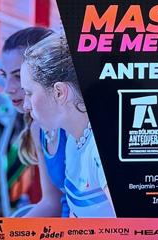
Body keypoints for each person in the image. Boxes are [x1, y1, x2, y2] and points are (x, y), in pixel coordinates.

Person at [20, 33, 115, 218]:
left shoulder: (102, 151)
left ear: (60, 92)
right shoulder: (73, 139)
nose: (25, 105)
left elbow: (137, 232)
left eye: (29, 93)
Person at [0, 26, 70, 217]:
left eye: (17, 76)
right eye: (5, 76)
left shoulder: (72, 125)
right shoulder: (38, 129)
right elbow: (51, 203)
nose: (8, 88)